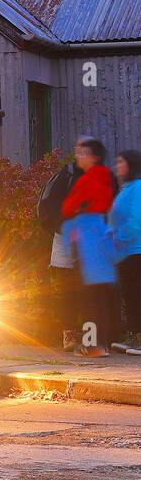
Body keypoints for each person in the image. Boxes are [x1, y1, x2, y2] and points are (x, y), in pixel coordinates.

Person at [61, 138, 119, 357]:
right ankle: (101, 341)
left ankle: (91, 344)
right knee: (100, 295)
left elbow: (68, 206)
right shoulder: (108, 177)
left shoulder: (88, 180)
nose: (78, 155)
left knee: (88, 297)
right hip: (103, 238)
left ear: (93, 156)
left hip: (87, 239)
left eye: (82, 151)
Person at [39, 157, 81, 349]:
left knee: (66, 290)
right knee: (81, 290)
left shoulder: (63, 177)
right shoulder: (72, 177)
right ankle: (81, 335)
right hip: (76, 239)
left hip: (63, 238)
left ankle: (69, 334)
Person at [110, 150, 141, 354]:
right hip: (124, 252)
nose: (117, 166)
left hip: (135, 250)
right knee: (129, 295)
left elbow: (136, 222)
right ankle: (134, 334)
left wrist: (118, 237)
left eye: (121, 162)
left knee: (136, 294)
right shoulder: (126, 188)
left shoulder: (138, 188)